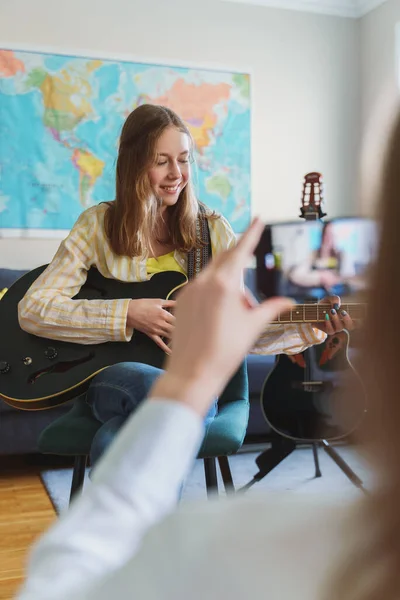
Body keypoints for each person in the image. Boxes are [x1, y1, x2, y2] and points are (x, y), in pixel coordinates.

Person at [17, 104, 346, 466]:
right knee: (164, 394)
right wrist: (128, 313)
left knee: (126, 433)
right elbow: (33, 309)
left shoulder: (214, 233)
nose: (177, 174)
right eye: (161, 161)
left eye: (184, 160)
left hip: (191, 381)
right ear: (134, 164)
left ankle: (120, 513)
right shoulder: (97, 226)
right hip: (117, 380)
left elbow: (240, 328)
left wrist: (310, 325)